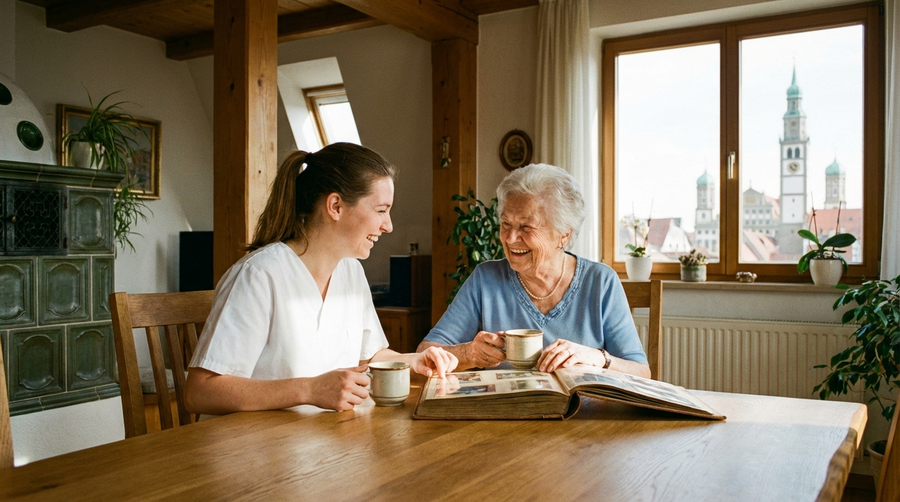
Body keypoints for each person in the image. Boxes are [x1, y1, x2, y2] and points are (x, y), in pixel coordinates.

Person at [185, 143, 457, 415]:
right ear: (335, 206)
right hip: (258, 440)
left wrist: (414, 361)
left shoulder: (351, 271)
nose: (388, 226)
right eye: (380, 210)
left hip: (329, 435)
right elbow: (200, 392)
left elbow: (370, 356)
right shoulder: (259, 275)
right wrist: (309, 390)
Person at [417, 163, 649, 378]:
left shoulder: (600, 282)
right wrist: (469, 353)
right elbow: (425, 352)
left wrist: (598, 358)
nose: (510, 238)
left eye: (526, 227)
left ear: (564, 234)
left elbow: (641, 372)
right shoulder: (485, 280)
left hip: (581, 409)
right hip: (508, 408)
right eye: (506, 224)